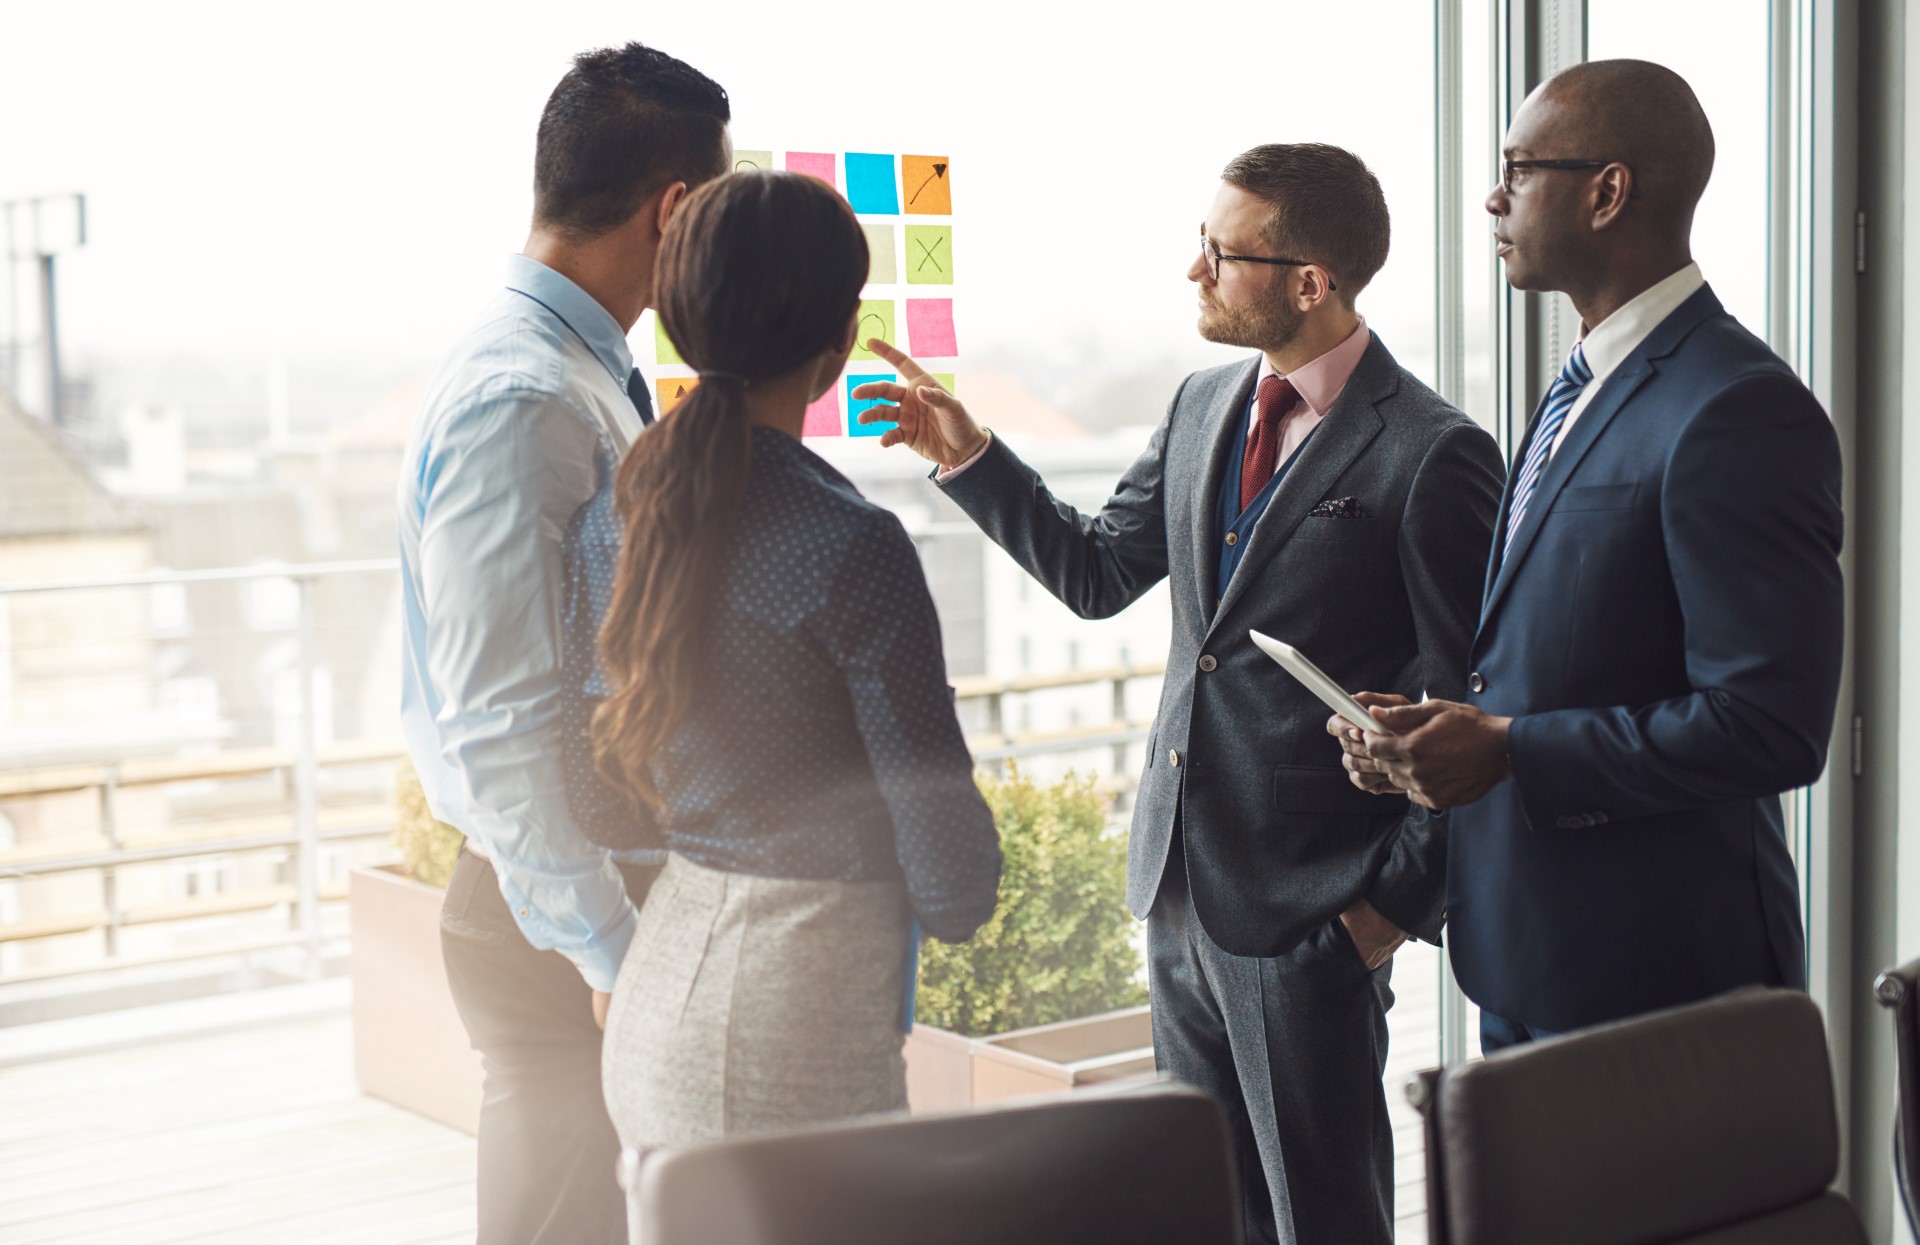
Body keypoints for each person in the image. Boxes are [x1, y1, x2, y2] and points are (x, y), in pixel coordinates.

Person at [858, 144, 1503, 1245]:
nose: (1193, 269)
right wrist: (969, 457)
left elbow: (1469, 717)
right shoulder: (1204, 405)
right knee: (1206, 1209)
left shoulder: (1432, 454)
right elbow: (1100, 572)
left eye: (1221, 250)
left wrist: (1377, 919)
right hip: (1179, 894)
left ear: (1311, 281)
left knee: (1324, 1220)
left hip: (1312, 919)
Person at [1333, 59, 1843, 1053]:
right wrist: (1441, 738)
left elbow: (1771, 728)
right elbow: (1560, 651)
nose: (1493, 194)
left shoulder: (1737, 408)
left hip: (1655, 981)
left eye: (1520, 170)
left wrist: (1509, 749)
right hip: (1525, 952)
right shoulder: (1581, 382)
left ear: (1608, 192)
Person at [589, 170, 1002, 1164]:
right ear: (837, 344)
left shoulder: (636, 503)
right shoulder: (850, 540)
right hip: (788, 1027)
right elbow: (951, 870)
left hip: (661, 986)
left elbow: (603, 768)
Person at [395, 42, 730, 1245]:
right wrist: (608, 950)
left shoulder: (579, 369)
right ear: (675, 208)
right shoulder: (523, 394)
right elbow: (494, 716)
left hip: (584, 898)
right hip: (556, 921)